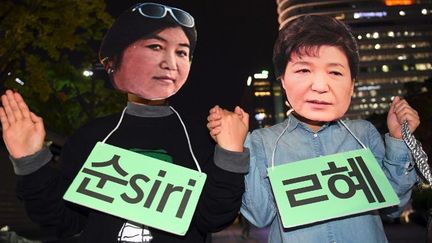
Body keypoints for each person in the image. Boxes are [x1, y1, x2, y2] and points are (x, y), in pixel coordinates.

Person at [0, 2, 249, 242]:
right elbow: (63, 220)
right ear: (112, 61)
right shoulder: (90, 137)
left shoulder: (199, 136)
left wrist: (230, 154)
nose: (170, 64)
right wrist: (30, 161)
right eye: (155, 47)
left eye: (182, 52)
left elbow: (213, 218)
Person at [208, 15, 419, 242]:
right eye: (303, 71)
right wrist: (235, 148)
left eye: (335, 72)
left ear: (352, 84)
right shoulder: (262, 141)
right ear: (283, 80)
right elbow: (259, 216)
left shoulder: (363, 134)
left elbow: (394, 206)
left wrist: (398, 140)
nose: (319, 86)